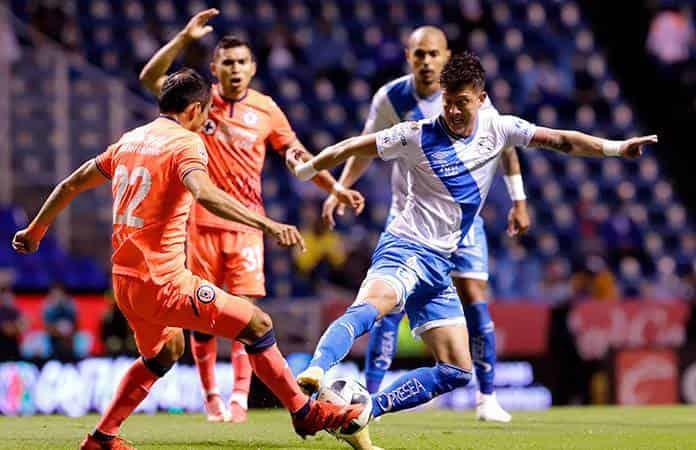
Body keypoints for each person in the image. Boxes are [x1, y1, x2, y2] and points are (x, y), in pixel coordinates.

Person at [290, 51, 655, 433]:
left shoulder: (500, 128)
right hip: (406, 247)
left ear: (481, 99)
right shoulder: (416, 134)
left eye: (461, 102)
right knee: (372, 308)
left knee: (456, 370)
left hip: (440, 264)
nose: (452, 111)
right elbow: (351, 146)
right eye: (447, 102)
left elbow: (562, 140)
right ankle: (319, 367)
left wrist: (617, 147)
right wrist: (308, 169)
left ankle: (367, 410)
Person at [12, 69, 363, 450]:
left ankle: (101, 438)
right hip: (163, 283)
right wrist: (266, 224)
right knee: (258, 325)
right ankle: (304, 412)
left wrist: (34, 231)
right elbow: (205, 194)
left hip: (125, 283)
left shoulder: (131, 140)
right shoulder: (186, 144)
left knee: (167, 351)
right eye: (207, 112)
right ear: (195, 109)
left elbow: (71, 184)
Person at [139, 9, 364, 423]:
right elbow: (150, 78)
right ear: (214, 68)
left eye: (242, 62)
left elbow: (299, 157)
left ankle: (239, 400)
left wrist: (334, 188)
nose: (235, 69)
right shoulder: (198, 104)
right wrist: (184, 38)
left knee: (245, 311)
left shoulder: (267, 110)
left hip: (247, 226)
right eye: (227, 62)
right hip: (201, 222)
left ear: (253, 67)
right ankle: (211, 398)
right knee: (202, 315)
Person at [321, 26, 529, 423]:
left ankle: (487, 397)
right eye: (420, 54)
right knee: (386, 307)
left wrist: (518, 200)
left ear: (447, 57)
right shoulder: (392, 97)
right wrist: (339, 187)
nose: (427, 62)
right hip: (410, 218)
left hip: (462, 223)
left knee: (474, 297)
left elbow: (505, 144)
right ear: (408, 57)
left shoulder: (471, 99)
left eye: (434, 54)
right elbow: (365, 146)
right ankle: (372, 398)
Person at [42, 283, 78, 362]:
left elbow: (75, 326)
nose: (57, 297)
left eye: (59, 294)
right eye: (54, 294)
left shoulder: (70, 306)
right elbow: (48, 328)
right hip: (53, 340)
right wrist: (59, 331)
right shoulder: (48, 307)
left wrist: (66, 332)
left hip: (69, 340)